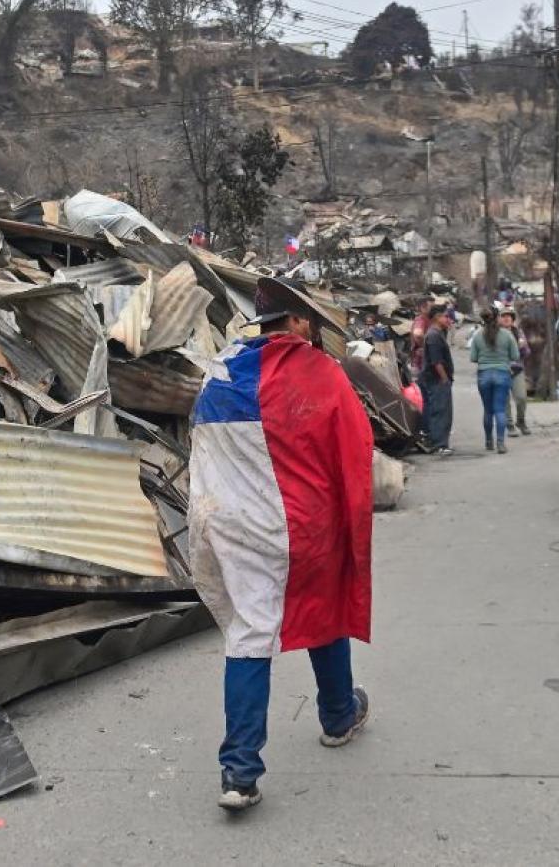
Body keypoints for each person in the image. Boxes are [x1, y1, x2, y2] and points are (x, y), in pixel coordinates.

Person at [189, 277, 374, 814]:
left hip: (231, 527)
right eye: (308, 322)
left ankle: (239, 772)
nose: (313, 332)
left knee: (249, 633)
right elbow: (353, 452)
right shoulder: (319, 373)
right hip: (301, 526)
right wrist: (351, 525)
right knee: (324, 605)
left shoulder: (219, 373)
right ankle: (338, 716)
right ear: (294, 322)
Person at [469, 308, 520, 453]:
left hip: (484, 375)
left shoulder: (478, 336)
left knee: (488, 410)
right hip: (502, 374)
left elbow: (473, 358)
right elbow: (515, 356)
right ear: (497, 317)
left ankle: (488, 442)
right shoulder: (507, 335)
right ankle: (501, 443)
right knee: (500, 410)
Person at [421, 305, 456, 456]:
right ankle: (440, 445)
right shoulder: (434, 336)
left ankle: (440, 443)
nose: (448, 319)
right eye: (445, 316)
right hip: (436, 379)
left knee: (442, 411)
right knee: (440, 411)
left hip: (437, 379)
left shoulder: (438, 333)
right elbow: (436, 362)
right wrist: (444, 379)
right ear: (437, 317)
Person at [500, 308, 531, 436]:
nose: (507, 318)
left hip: (517, 369)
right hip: (501, 370)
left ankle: (521, 421)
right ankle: (509, 425)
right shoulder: (496, 333)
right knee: (505, 399)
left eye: (509, 316)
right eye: (504, 316)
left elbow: (527, 351)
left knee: (521, 397)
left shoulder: (518, 332)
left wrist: (522, 347)